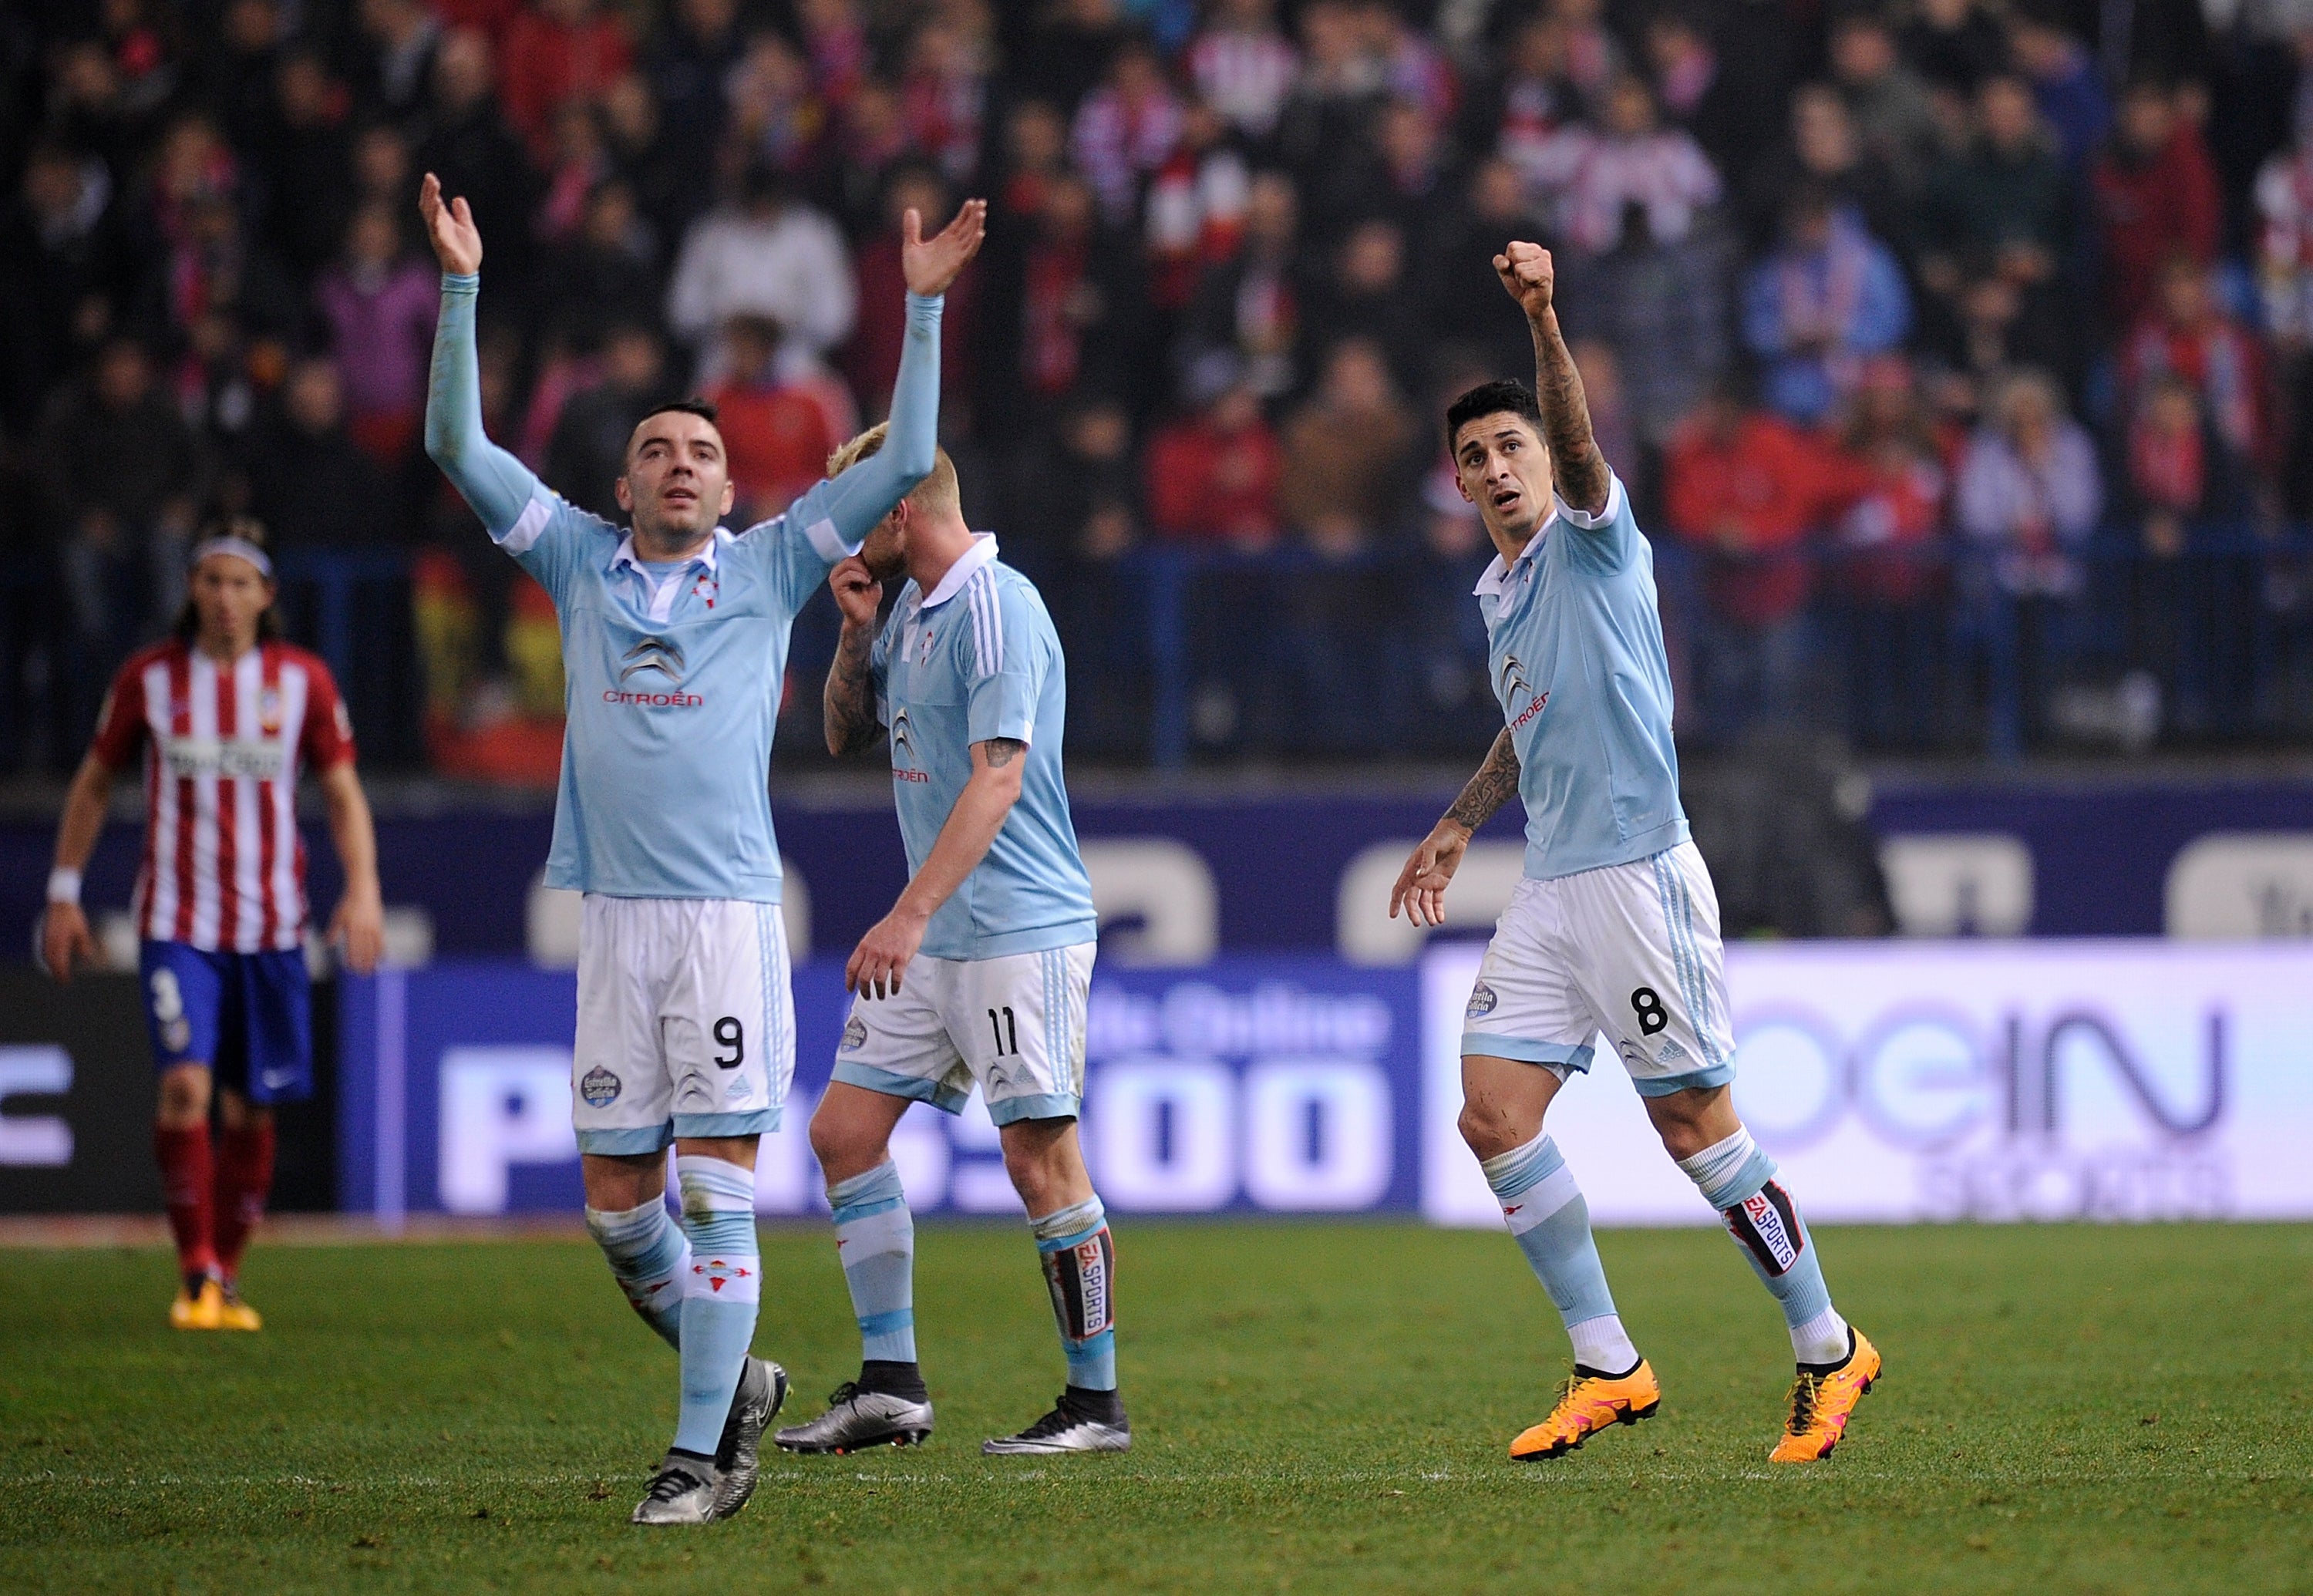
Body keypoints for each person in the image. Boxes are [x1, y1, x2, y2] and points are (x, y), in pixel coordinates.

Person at [417, 169, 984, 1525]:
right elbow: (456, 445)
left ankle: (705, 1460)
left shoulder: (777, 565)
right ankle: (738, 1382)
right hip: (615, 919)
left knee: (719, 1193)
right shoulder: (576, 559)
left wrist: (916, 318)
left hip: (725, 919)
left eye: (705, 453)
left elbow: (905, 467)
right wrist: (460, 288)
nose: (682, 463)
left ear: (734, 492)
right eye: (661, 449)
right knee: (622, 1213)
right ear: (624, 483)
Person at [1388, 241, 1880, 1465]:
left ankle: (1829, 1345)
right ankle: (1609, 1360)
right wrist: (1458, 820)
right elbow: (1528, 721)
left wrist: (1545, 320)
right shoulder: (1503, 594)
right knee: (1493, 1114)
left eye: (1511, 448)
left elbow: (1583, 437)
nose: (1496, 468)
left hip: (1640, 876)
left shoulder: (1598, 539)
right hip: (1552, 889)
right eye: (1474, 459)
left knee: (1697, 1129)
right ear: (1458, 488)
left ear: (1551, 462)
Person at [776, 425, 1121, 1460]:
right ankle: (892, 1385)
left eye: (853, 506)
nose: (839, 527)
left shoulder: (998, 606)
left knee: (1039, 1159)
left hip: (1016, 928)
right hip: (940, 933)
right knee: (843, 1134)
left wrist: (909, 911)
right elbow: (846, 734)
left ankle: (1095, 1403)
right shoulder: (915, 611)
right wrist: (853, 636)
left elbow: (1000, 776)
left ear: (902, 509)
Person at [39, 520, 384, 1332]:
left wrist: (363, 888)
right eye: (211, 581)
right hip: (177, 923)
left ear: (267, 596)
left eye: (241, 583)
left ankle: (224, 1279)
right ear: (191, 590)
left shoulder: (303, 681)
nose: (224, 598)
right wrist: (63, 891)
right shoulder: (149, 680)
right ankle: (194, 1267)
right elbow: (93, 786)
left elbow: (341, 794)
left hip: (271, 928)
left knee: (253, 1110)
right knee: (186, 1085)